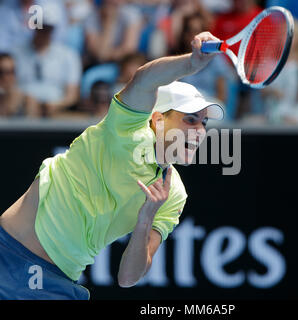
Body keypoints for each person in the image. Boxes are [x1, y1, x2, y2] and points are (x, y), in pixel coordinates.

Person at [0, 31, 224, 300]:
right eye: (190, 120)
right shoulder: (125, 131)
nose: (200, 131)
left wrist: (145, 218)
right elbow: (144, 79)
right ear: (157, 120)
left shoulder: (173, 193)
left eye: (204, 123)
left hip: (54, 286)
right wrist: (191, 63)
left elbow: (128, 278)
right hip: (6, 252)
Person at [11, 9, 82, 118]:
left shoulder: (68, 55)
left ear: (52, 29)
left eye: (47, 28)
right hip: (22, 106)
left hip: (56, 106)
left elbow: (72, 95)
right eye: (40, 28)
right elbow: (8, 85)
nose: (43, 32)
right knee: (29, 102)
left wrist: (56, 105)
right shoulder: (16, 53)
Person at [261, 19, 298, 124]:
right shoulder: (268, 63)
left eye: (289, 35)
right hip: (270, 117)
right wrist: (271, 91)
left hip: (295, 119)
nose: (284, 39)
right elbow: (261, 93)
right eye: (281, 34)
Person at [0, 53, 39, 118]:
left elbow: (33, 126)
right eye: (1, 72)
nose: (5, 77)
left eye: (11, 72)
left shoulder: (27, 102)